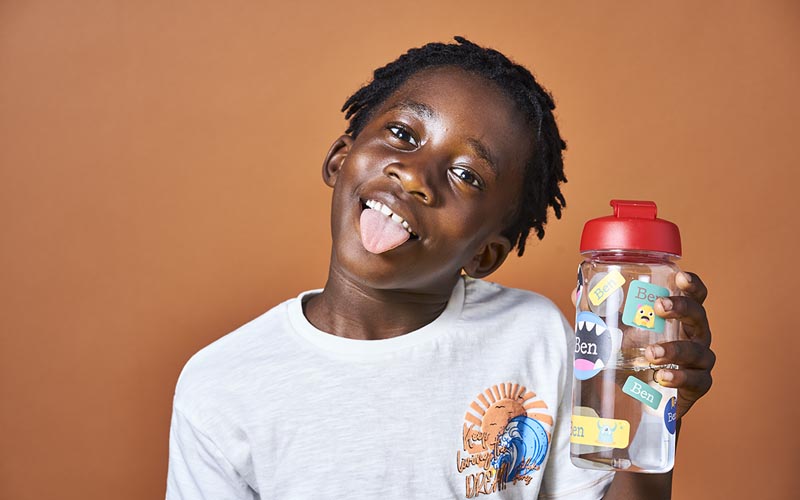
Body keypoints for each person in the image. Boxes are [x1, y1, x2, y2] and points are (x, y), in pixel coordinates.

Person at [166, 37, 715, 499]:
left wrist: (655, 424)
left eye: (466, 175)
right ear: (341, 158)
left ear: (485, 254)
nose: (413, 176)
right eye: (403, 135)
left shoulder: (536, 339)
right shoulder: (222, 384)